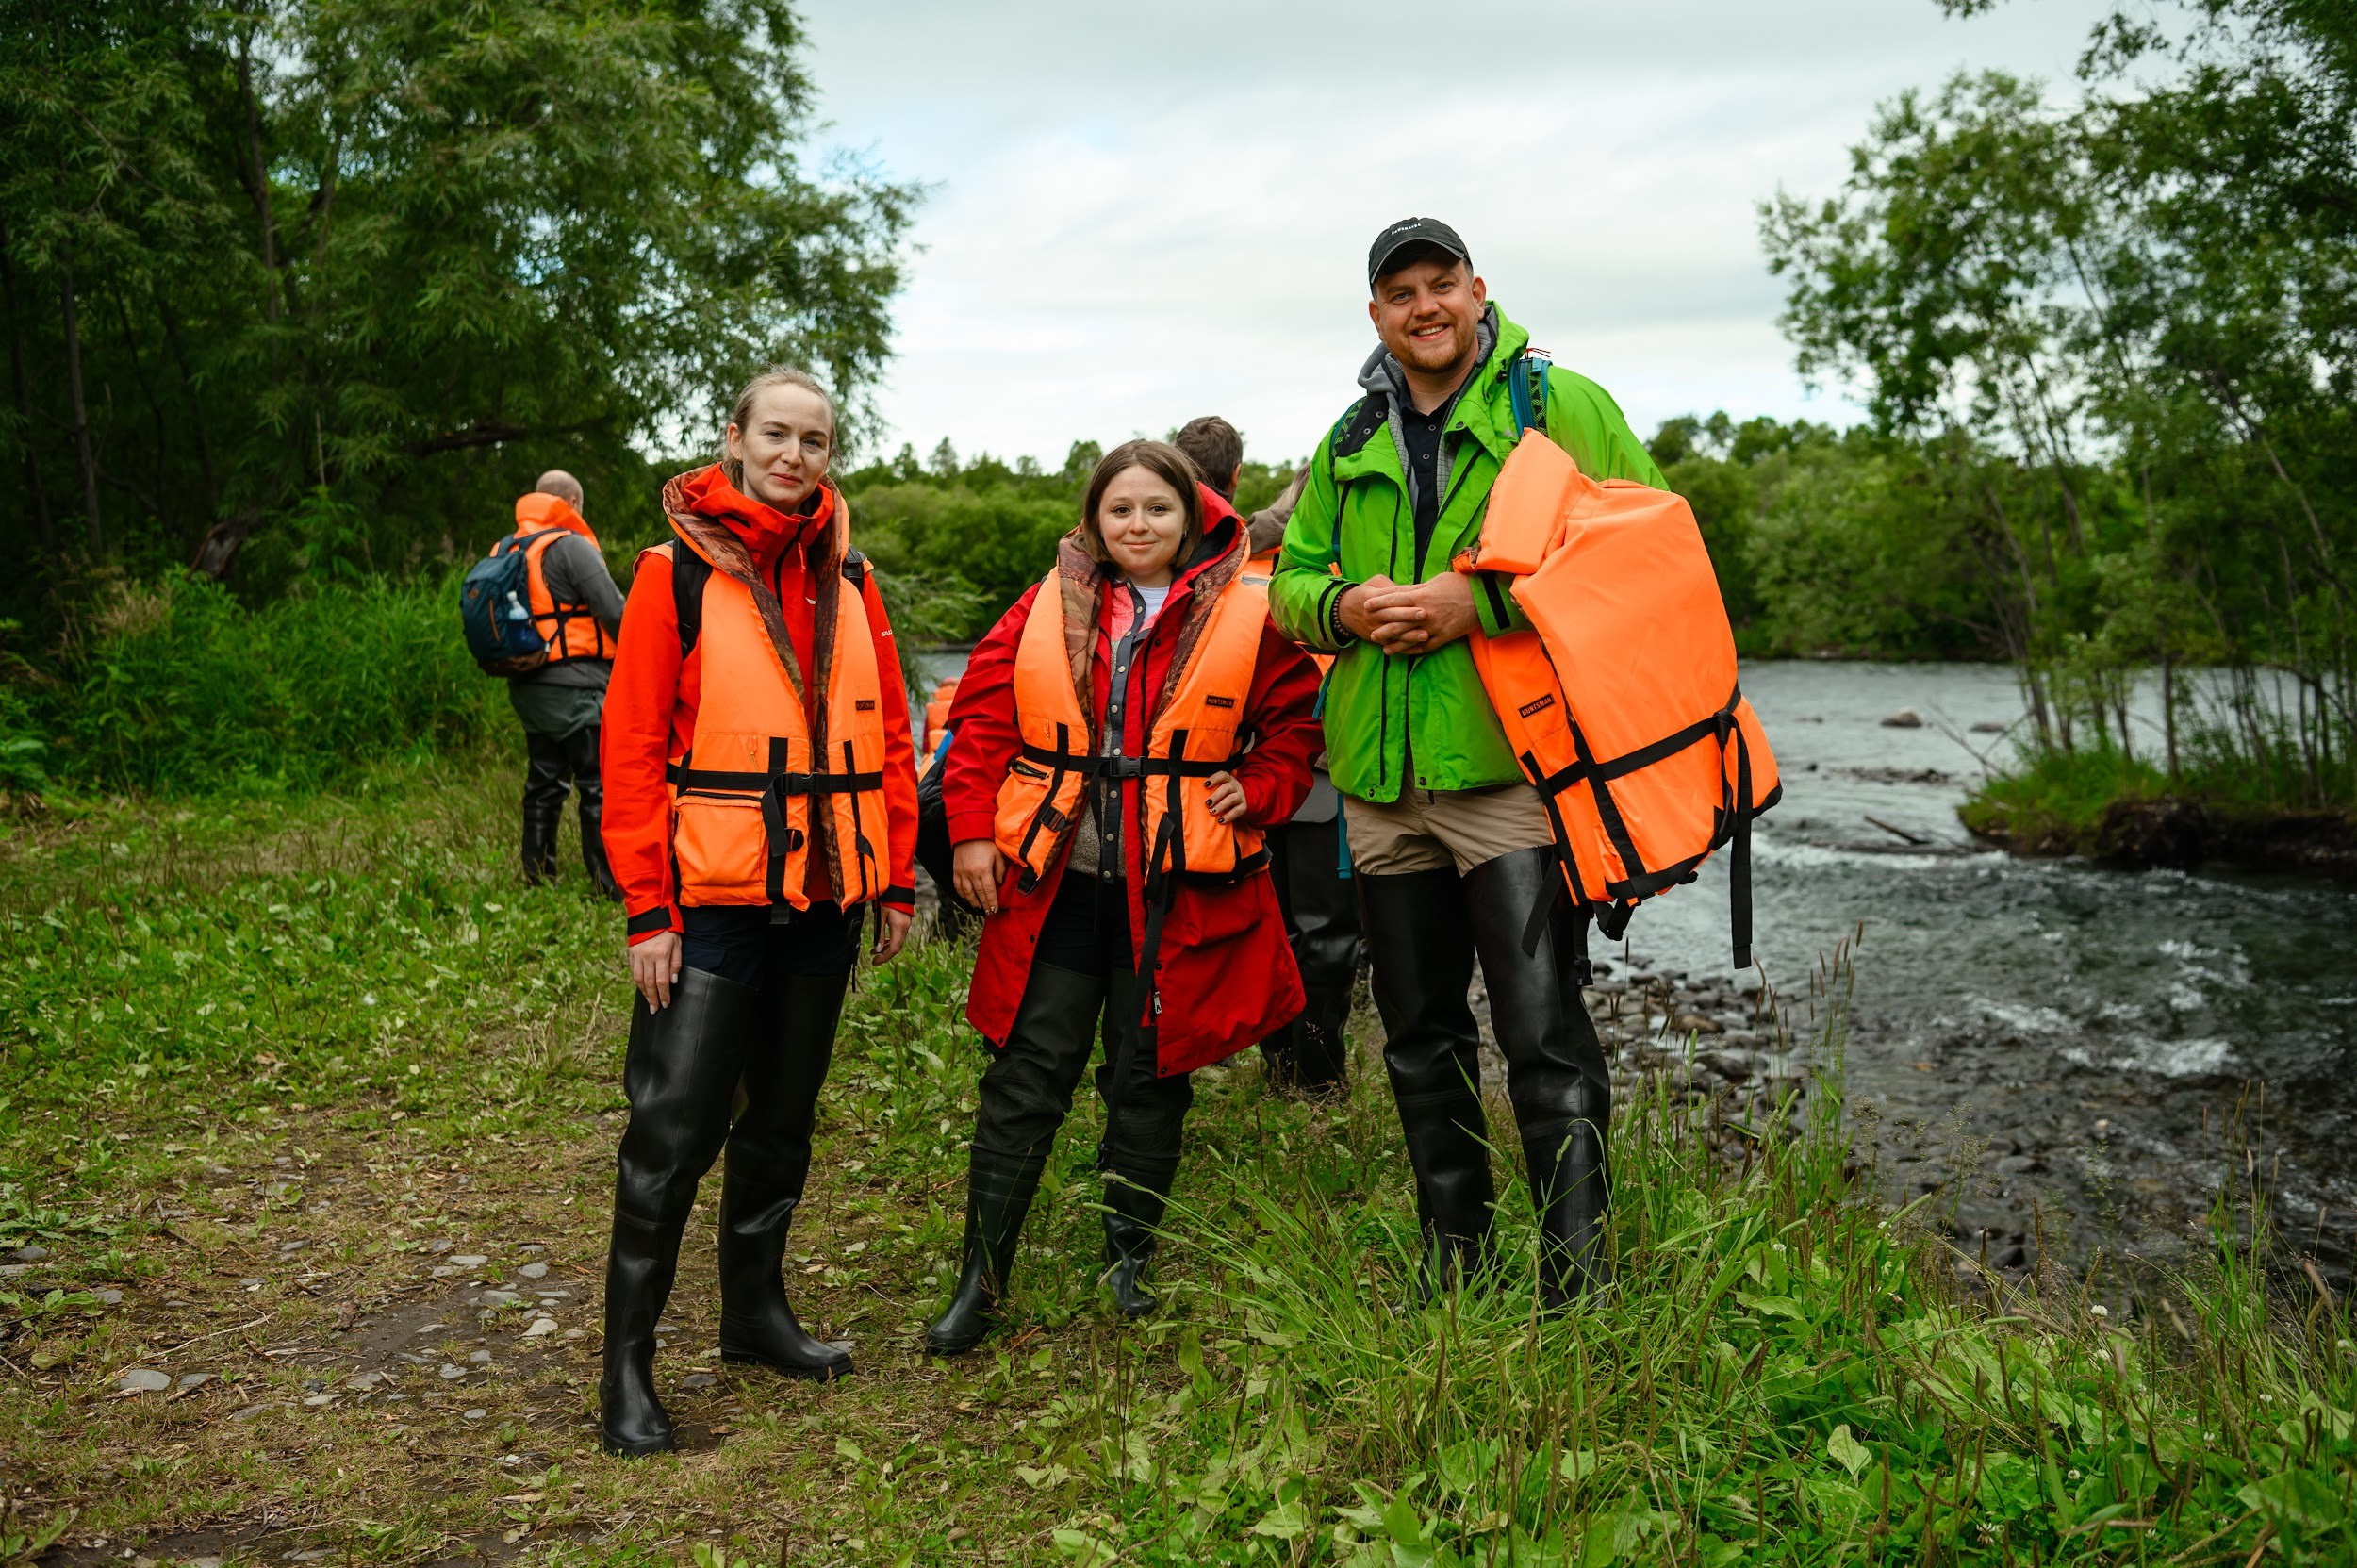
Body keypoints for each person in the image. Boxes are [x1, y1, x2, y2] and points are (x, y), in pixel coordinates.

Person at [1268, 219, 1668, 1312]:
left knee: (1542, 1028)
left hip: (1510, 773)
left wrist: (1476, 602)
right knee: (1417, 1035)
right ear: (1376, 316)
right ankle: (1459, 1260)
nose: (1424, 306)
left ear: (1477, 289)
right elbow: (1289, 580)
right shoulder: (1348, 433)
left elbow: (1640, 551)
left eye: (1440, 283)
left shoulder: (1557, 405)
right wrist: (1343, 604)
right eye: (1400, 292)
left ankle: (1578, 1283)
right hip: (1380, 782)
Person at [923, 439, 1321, 1354]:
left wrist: (1258, 789)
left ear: (1191, 518)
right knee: (1023, 1080)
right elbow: (982, 718)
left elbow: (1297, 726)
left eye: (1157, 510)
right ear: (1095, 520)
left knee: (1149, 1078)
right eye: (1120, 510)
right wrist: (975, 831)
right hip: (1058, 887)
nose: (1137, 525)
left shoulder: (1247, 610)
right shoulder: (1046, 603)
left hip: (1175, 890)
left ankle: (1129, 1260)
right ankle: (979, 1280)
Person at [593, 367, 918, 1456]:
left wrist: (897, 874)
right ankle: (627, 1371)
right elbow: (631, 746)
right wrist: (649, 908)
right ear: (733, 440)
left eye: (814, 440)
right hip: (714, 896)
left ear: (832, 453)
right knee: (671, 1134)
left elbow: (893, 739)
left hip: (827, 893)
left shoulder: (854, 576)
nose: (793, 455)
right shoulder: (671, 573)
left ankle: (753, 1315)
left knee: (780, 1123)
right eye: (774, 434)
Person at [1170, 416, 1355, 1098]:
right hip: (1314, 760)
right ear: (1237, 475)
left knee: (1247, 915)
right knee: (1323, 929)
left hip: (1216, 771)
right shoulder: (1311, 556)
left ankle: (1229, 1053)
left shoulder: (1199, 565)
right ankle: (1309, 1079)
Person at [500, 470, 625, 899]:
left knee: (544, 782)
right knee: (597, 785)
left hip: (528, 688)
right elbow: (615, 612)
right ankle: (607, 885)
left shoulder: (510, 548)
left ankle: (537, 880)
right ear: (571, 502)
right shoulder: (570, 546)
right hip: (579, 686)